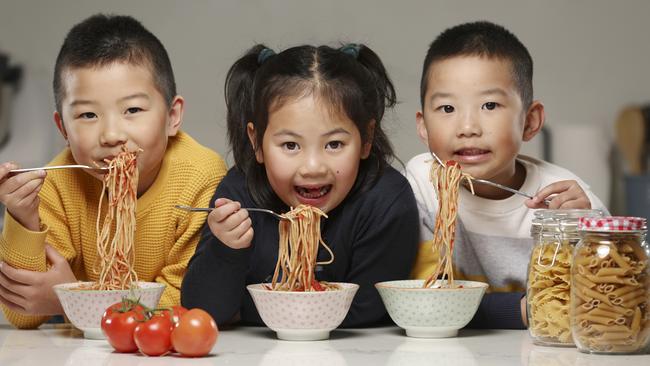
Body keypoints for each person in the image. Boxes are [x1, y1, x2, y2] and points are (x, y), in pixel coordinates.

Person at [0, 14, 227, 329]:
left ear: (172, 116)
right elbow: (21, 313)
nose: (110, 134)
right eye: (88, 114)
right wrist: (22, 214)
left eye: (132, 110)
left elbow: (185, 300)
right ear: (62, 127)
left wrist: (74, 298)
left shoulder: (200, 175)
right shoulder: (55, 182)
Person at [181, 43, 419, 326]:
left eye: (334, 144)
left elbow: (367, 309)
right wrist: (225, 249)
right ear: (256, 142)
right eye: (291, 145)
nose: (312, 167)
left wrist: (245, 310)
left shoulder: (386, 201)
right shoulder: (239, 193)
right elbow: (202, 310)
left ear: (366, 139)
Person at [406, 21, 609, 329]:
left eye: (490, 105)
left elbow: (609, 297)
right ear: (423, 126)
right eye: (447, 108)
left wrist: (583, 233)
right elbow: (424, 298)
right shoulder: (422, 183)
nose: (467, 127)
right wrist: (525, 311)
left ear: (529, 121)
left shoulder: (569, 199)